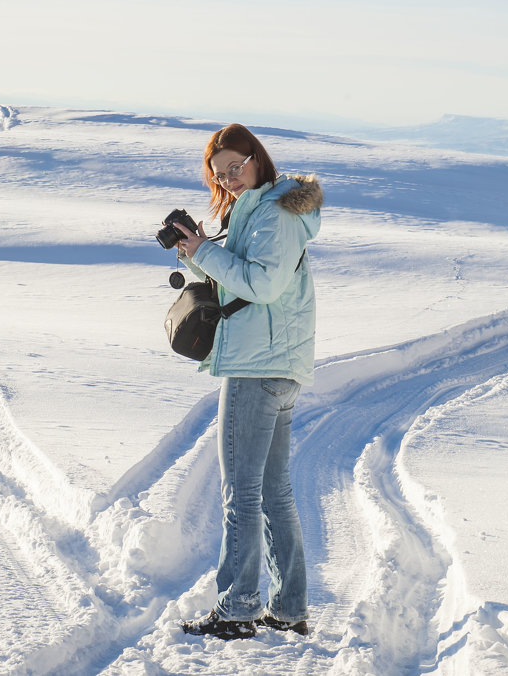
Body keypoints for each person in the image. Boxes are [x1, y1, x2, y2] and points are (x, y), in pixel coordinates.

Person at [171, 123, 322, 640]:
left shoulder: (276, 213)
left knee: (241, 493)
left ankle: (237, 608)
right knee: (272, 491)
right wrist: (199, 251)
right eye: (220, 174)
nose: (231, 179)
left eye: (237, 167)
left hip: (259, 366)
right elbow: (253, 281)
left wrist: (205, 253)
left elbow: (261, 283)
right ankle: (288, 607)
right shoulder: (267, 209)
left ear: (257, 158)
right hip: (276, 362)